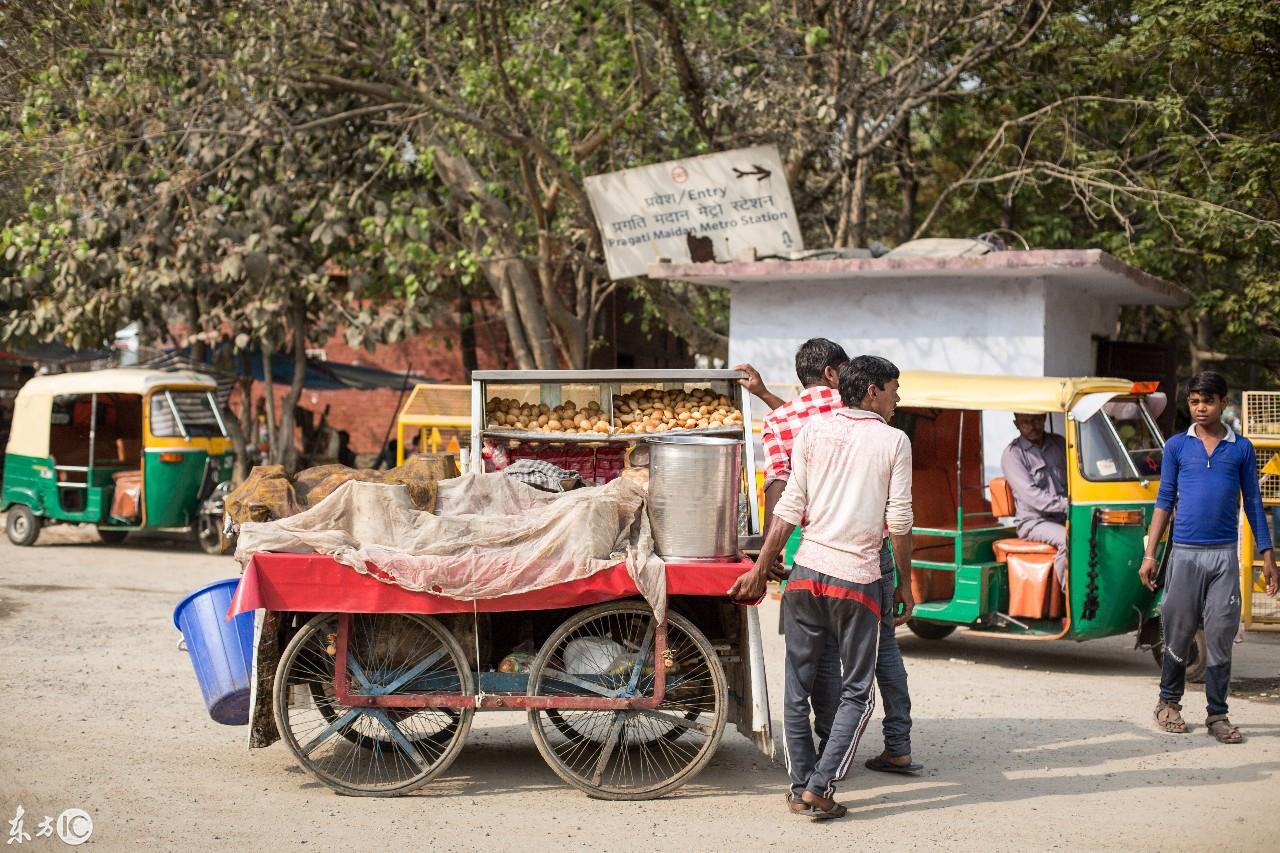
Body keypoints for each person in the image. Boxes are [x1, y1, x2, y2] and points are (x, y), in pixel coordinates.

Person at [730, 356, 914, 820]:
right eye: (893, 389)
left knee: (797, 687)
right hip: (857, 580)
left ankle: (799, 788)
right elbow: (900, 522)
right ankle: (820, 788)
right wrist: (905, 584)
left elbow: (790, 505)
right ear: (872, 391)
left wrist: (762, 565)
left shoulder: (812, 432)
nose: (897, 399)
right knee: (858, 692)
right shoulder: (894, 441)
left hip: (806, 574)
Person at [1141, 371, 1279, 742]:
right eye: (1194, 402)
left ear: (1223, 402)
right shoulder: (1176, 447)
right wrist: (1151, 554)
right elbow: (1164, 501)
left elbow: (1252, 502)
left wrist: (1267, 554)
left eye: (1208, 401)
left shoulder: (1241, 448)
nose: (1201, 408)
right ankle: (1168, 703)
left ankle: (1217, 715)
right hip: (1184, 554)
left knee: (1219, 634)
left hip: (1222, 558)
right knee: (1178, 630)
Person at [1000, 412, 1069, 587]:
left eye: (1036, 420)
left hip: (1065, 516)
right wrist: (1066, 505)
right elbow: (1032, 496)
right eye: (1026, 422)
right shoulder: (1013, 454)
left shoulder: (1060, 444)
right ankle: (1070, 599)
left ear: (1044, 418)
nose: (1032, 426)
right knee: (1068, 538)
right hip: (1034, 522)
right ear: (1016, 424)